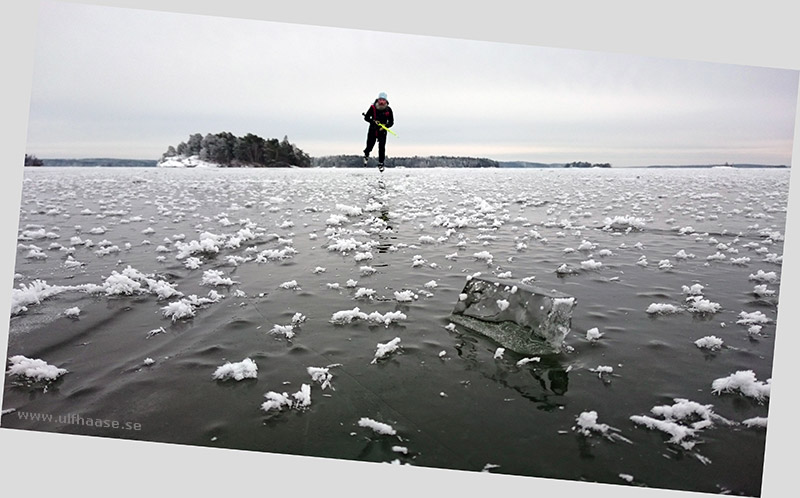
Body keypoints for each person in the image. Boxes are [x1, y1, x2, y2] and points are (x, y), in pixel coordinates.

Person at [362, 92, 394, 172]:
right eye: (380, 100)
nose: (381, 102)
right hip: (373, 129)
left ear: (386, 101)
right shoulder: (373, 108)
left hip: (382, 131)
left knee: (382, 147)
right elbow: (366, 118)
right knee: (370, 145)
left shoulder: (389, 110)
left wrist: (385, 126)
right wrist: (373, 121)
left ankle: (381, 163)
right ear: (378, 100)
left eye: (383, 100)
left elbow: (391, 122)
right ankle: (366, 154)